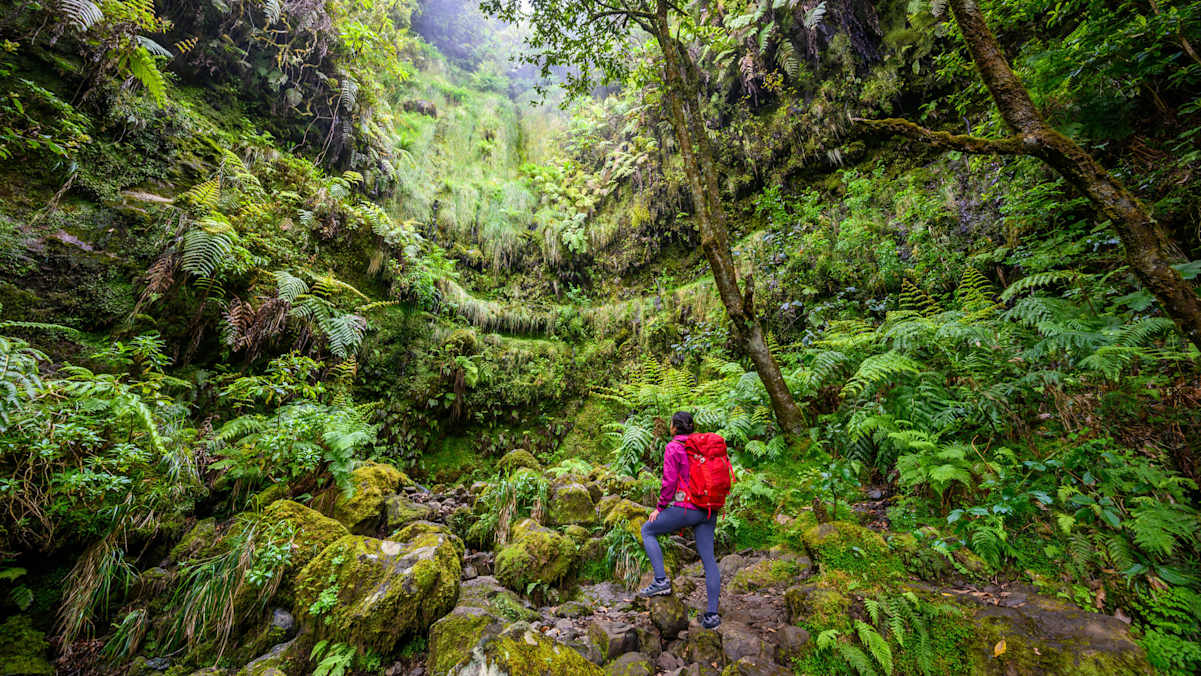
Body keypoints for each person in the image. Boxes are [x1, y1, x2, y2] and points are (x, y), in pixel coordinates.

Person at [636, 410, 722, 629]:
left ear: (674, 427)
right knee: (709, 559)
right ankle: (712, 616)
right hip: (709, 508)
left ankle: (661, 581)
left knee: (648, 530)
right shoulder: (701, 446)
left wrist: (660, 508)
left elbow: (669, 482)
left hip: (687, 507)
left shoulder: (673, 447)